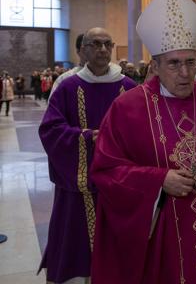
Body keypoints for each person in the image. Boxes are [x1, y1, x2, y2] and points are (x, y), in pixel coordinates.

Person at [90, 0, 196, 283]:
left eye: (191, 62)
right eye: (174, 64)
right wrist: (158, 180)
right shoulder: (127, 109)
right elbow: (106, 170)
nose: (185, 73)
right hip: (160, 241)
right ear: (155, 66)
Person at [38, 27, 136, 284]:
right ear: (83, 50)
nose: (102, 49)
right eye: (95, 44)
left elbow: (145, 131)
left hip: (120, 182)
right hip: (79, 185)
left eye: (107, 44)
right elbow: (50, 129)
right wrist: (85, 137)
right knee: (76, 241)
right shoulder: (68, 87)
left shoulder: (129, 87)